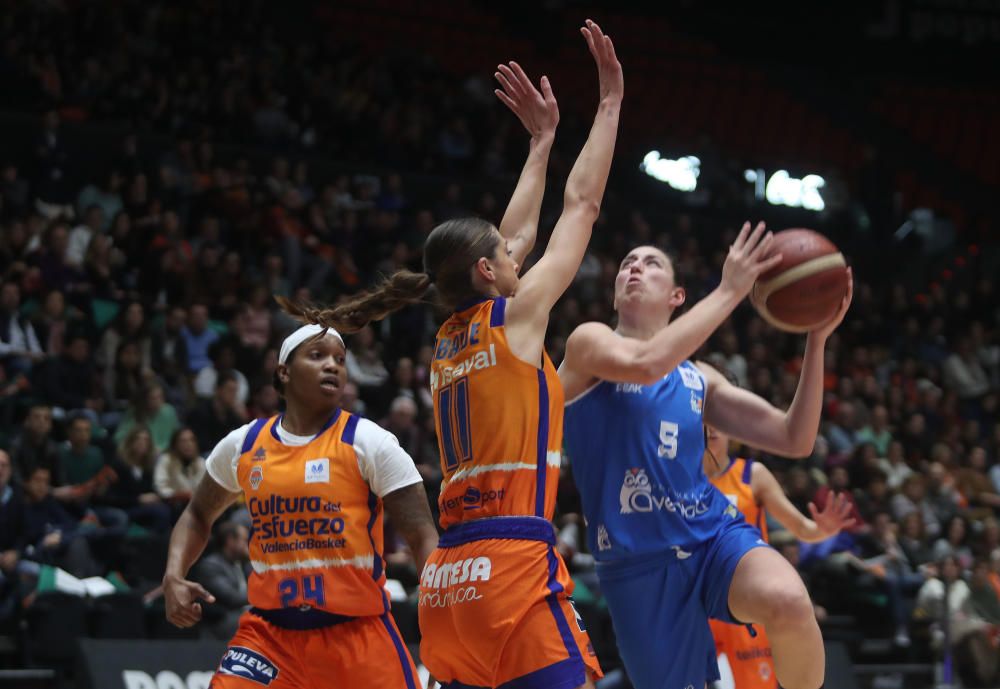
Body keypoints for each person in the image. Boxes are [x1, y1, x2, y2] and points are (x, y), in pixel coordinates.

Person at [275, 19, 621, 689]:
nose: (512, 248)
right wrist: (609, 105)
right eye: (501, 253)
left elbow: (512, 233)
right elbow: (583, 205)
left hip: (449, 581)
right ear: (489, 273)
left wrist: (543, 142)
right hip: (511, 568)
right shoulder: (514, 320)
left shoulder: (451, 335)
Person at [560, 230, 853, 689]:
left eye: (652, 262)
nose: (634, 266)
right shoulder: (588, 344)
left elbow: (794, 438)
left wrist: (815, 339)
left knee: (789, 600)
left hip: (711, 536)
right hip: (636, 564)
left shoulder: (699, 378)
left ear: (677, 296)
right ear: (615, 295)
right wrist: (730, 289)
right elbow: (645, 364)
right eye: (627, 262)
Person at [163, 322, 438, 688]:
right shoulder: (243, 444)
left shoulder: (371, 442)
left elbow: (423, 536)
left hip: (357, 636)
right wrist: (173, 573)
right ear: (284, 372)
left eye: (340, 359)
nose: (333, 365)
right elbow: (197, 514)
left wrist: (441, 624)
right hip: (269, 636)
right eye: (317, 355)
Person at [703, 421, 855, 689]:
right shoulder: (680, 478)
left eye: (719, 423)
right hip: (697, 602)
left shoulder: (753, 474)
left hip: (741, 601)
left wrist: (821, 529)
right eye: (704, 423)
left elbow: (800, 527)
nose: (712, 430)